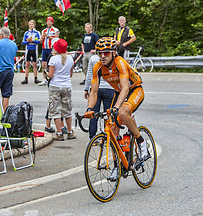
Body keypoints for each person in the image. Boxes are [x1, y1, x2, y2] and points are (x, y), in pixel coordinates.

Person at [84, 37, 148, 181]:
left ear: (114, 53)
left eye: (106, 53)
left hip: (134, 90)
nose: (102, 56)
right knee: (112, 127)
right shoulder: (98, 67)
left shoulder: (120, 63)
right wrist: (89, 108)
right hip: (119, 93)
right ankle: (117, 166)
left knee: (121, 112)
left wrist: (116, 108)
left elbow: (125, 88)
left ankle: (141, 142)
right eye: (100, 53)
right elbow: (93, 92)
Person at [47, 39, 75, 141]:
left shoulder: (53, 59)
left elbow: (51, 75)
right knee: (67, 110)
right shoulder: (70, 59)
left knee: (56, 110)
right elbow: (70, 74)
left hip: (55, 86)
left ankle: (59, 133)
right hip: (67, 85)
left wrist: (46, 74)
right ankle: (70, 131)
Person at [84, 54, 114, 139]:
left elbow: (89, 75)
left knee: (93, 113)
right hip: (109, 88)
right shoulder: (112, 57)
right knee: (108, 114)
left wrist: (86, 89)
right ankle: (107, 137)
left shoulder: (93, 58)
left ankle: (92, 137)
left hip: (95, 88)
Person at [0, 27, 17, 110]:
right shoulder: (14, 44)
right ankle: (5, 115)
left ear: (1, 34)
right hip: (9, 71)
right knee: (6, 95)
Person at [38, 16, 59, 86]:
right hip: (44, 48)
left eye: (50, 21)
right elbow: (40, 41)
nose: (49, 23)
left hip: (51, 49)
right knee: (44, 64)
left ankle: (52, 78)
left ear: (52, 22)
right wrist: (43, 37)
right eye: (48, 21)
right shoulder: (44, 30)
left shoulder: (55, 30)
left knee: (52, 64)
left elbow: (56, 39)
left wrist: (48, 36)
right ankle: (44, 79)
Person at [21, 20, 41, 84]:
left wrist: (33, 41)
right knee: (27, 64)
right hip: (28, 49)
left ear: (34, 25)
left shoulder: (37, 33)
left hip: (35, 49)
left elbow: (40, 41)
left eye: (32, 24)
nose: (31, 25)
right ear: (28, 25)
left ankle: (36, 78)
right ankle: (26, 79)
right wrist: (28, 41)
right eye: (30, 24)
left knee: (35, 64)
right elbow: (23, 42)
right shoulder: (26, 33)